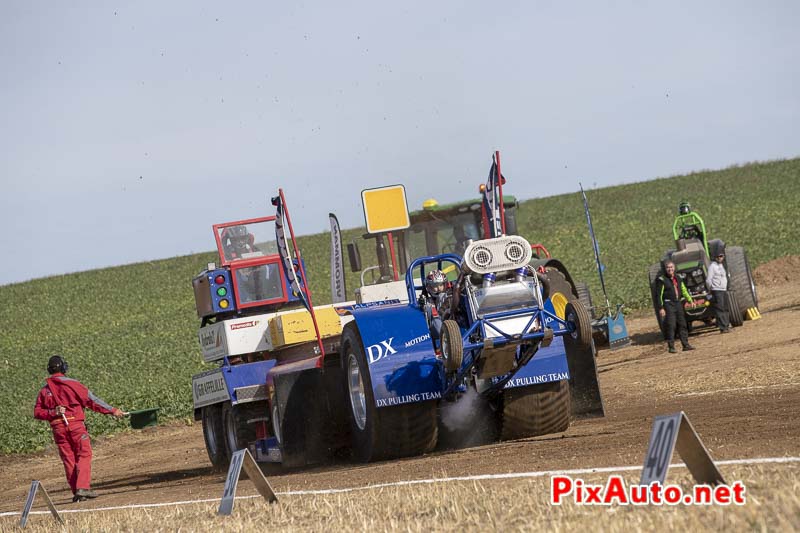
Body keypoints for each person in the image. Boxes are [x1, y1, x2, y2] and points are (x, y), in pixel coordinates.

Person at [33, 355, 124, 502]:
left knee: (68, 460)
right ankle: (82, 488)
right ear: (64, 368)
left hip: (58, 429)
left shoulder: (45, 391)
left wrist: (52, 412)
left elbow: (37, 412)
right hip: (75, 425)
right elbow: (92, 401)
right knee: (84, 455)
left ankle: (76, 491)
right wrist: (112, 410)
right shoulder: (73, 384)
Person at [654, 261, 696, 353]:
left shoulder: (678, 278)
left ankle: (685, 345)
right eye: (668, 267)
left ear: (674, 268)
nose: (670, 269)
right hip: (668, 304)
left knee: (682, 324)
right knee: (671, 325)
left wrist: (690, 300)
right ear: (665, 269)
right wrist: (661, 308)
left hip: (678, 303)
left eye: (671, 267)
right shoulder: (661, 280)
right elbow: (659, 295)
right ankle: (671, 347)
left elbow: (683, 290)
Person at [707, 251, 731, 333]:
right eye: (719, 256)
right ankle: (722, 327)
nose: (720, 258)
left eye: (722, 256)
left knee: (726, 308)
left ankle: (727, 325)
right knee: (719, 309)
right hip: (717, 290)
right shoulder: (712, 266)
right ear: (716, 257)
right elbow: (708, 279)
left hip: (723, 289)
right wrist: (711, 288)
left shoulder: (722, 265)